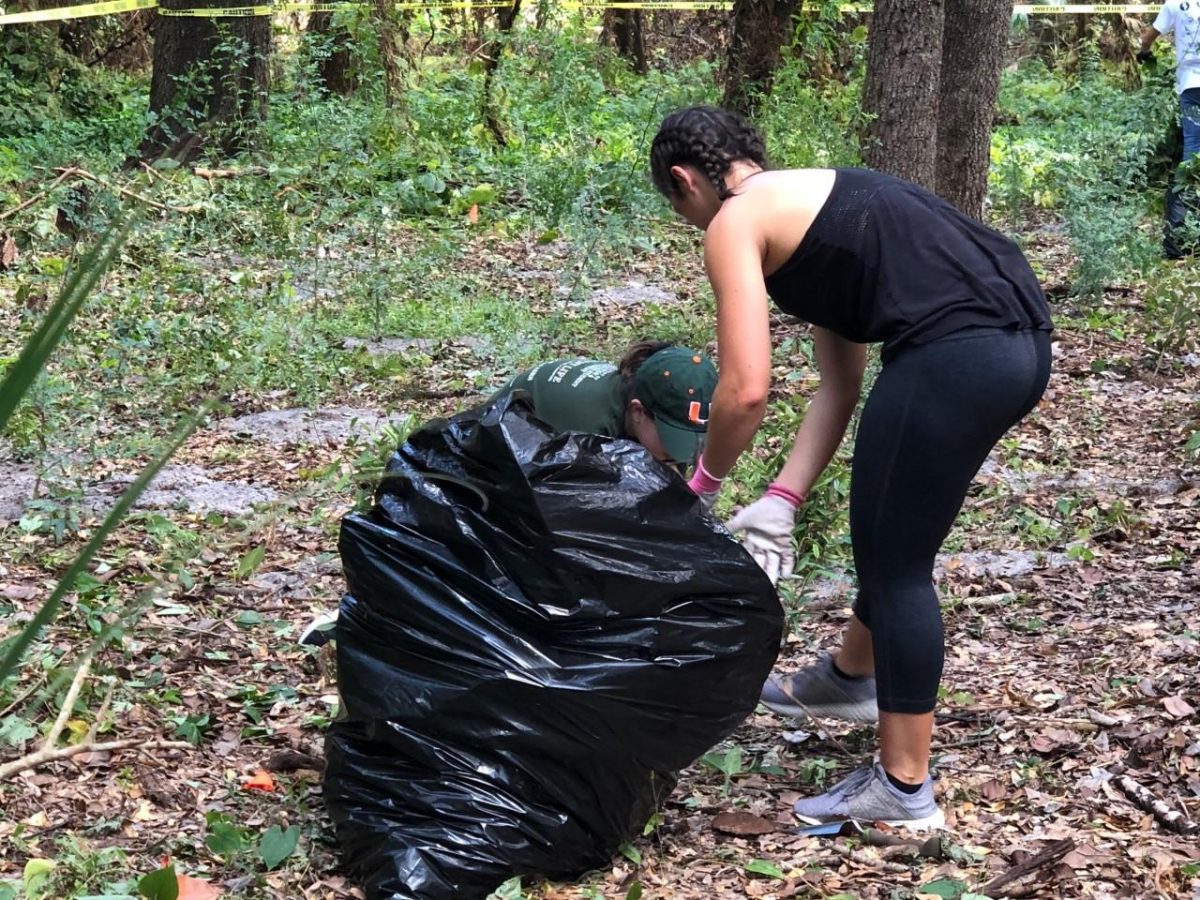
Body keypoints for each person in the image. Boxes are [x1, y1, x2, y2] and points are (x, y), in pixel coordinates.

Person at [652, 105, 1053, 830]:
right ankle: (851, 677)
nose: (692, 226)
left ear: (684, 182)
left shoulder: (736, 222)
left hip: (954, 352)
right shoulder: (816, 213)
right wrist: (781, 497)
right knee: (888, 531)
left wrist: (698, 489)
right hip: (1017, 349)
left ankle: (902, 789)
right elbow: (838, 387)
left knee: (897, 567)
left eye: (680, 209)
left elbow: (743, 391)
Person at [298, 340, 718, 647]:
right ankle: (363, 624)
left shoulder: (626, 402)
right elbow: (578, 523)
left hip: (523, 471)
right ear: (638, 412)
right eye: (669, 444)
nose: (677, 460)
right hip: (477, 482)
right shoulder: (586, 426)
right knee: (478, 593)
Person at [1139, 1, 1200, 257]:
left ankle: (1186, 219)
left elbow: (1150, 34)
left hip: (1190, 84)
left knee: (1193, 148)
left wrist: (1144, 52)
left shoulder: (1175, 4)